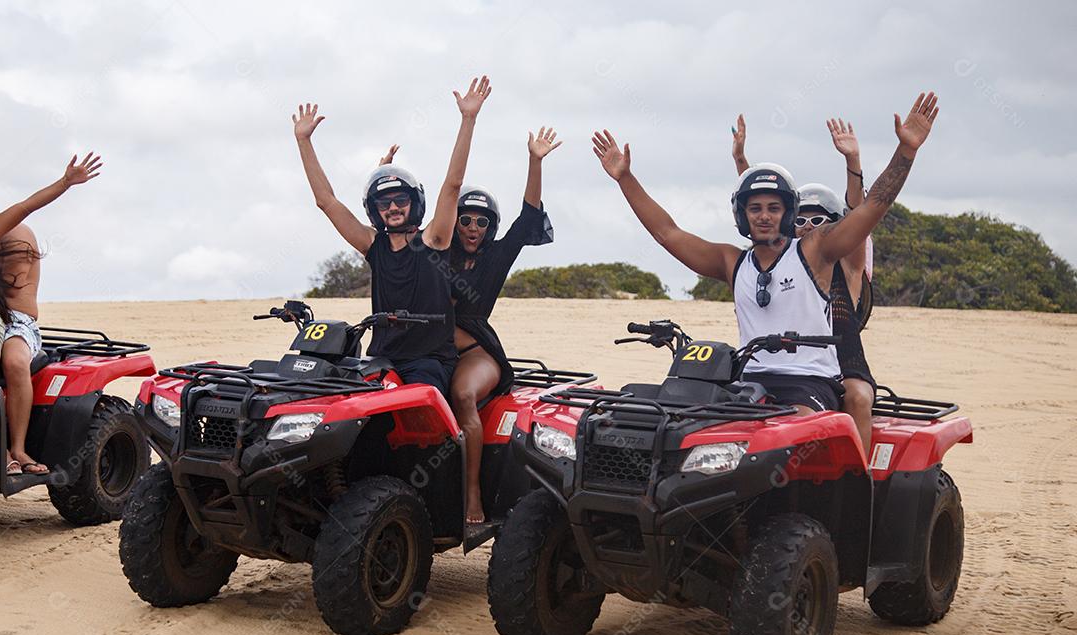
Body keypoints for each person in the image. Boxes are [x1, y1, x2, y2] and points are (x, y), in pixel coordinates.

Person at [591, 92, 938, 424]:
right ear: (742, 216)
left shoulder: (815, 250)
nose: (764, 216)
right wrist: (625, 178)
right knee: (687, 420)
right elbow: (668, 233)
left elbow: (872, 208)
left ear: (788, 213)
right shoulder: (732, 261)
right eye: (755, 208)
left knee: (790, 428)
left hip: (810, 383)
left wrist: (905, 150)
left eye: (774, 208)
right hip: (748, 380)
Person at [383, 128, 559, 522]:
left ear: (490, 225)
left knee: (462, 396)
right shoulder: (435, 251)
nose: (473, 227)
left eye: (482, 221)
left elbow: (529, 216)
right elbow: (397, 230)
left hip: (475, 351)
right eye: (466, 219)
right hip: (425, 348)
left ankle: (473, 494)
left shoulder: (497, 256)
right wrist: (384, 173)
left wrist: (535, 161)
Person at [292, 76, 492, 398]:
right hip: (381, 359)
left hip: (428, 362)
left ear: (415, 203)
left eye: (401, 200)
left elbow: (453, 186)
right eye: (385, 203)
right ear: (375, 210)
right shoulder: (374, 246)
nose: (394, 207)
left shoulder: (434, 240)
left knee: (419, 422)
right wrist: (304, 141)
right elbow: (326, 202)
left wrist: (468, 118)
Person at [731, 115, 876, 452]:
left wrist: (852, 162)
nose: (807, 226)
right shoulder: (789, 260)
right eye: (801, 219)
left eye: (818, 220)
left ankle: (859, 472)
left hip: (842, 360)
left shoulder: (846, 264)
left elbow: (859, 214)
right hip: (785, 358)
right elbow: (760, 207)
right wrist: (741, 161)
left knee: (856, 396)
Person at [0, 152, 104, 475]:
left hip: (15, 324)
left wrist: (66, 182)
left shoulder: (4, 227)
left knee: (14, 362)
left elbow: (27, 205)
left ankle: (15, 448)